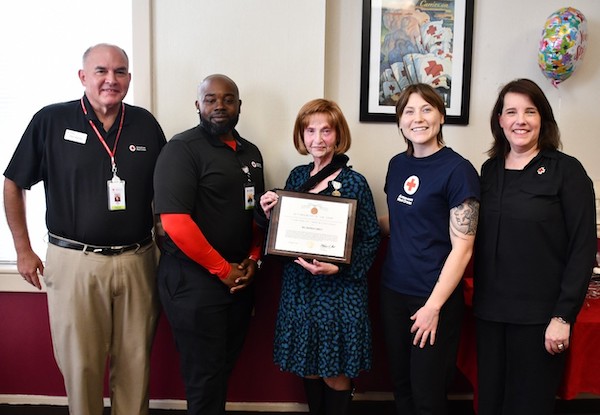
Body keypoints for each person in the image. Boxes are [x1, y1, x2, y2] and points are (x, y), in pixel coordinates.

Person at [3, 43, 166, 415]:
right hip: (75, 261)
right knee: (81, 365)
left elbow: (165, 193)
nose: (112, 79)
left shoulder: (145, 124)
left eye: (120, 71)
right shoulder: (51, 120)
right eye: (101, 71)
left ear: (129, 78)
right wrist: (23, 249)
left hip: (138, 260)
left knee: (136, 362)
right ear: (82, 77)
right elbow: (14, 182)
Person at [473, 78, 597, 415]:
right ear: (499, 120)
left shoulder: (567, 172)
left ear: (542, 118)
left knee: (528, 406)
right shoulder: (489, 171)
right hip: (490, 315)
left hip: (540, 318)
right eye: (511, 111)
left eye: (530, 111)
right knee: (490, 404)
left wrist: (563, 316)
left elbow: (583, 248)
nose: (520, 120)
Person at [258, 99, 380, 415]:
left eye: (326, 130)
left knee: (334, 370)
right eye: (310, 130)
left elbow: (370, 239)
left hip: (340, 292)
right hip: (301, 289)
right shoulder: (296, 176)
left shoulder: (355, 182)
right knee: (308, 364)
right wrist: (270, 211)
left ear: (338, 135)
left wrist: (339, 267)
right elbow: (285, 236)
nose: (318, 139)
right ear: (302, 135)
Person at [153, 74, 265, 415]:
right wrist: (221, 270)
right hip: (194, 282)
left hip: (238, 280)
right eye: (211, 99)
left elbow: (258, 213)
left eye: (228, 99)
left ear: (239, 106)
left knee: (221, 371)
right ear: (198, 104)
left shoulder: (251, 153)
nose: (220, 106)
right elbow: (175, 222)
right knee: (204, 378)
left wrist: (253, 259)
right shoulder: (181, 149)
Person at [379, 83, 480, 415]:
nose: (417, 118)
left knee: (428, 394)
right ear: (400, 121)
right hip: (393, 291)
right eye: (409, 111)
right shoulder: (396, 165)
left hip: (433, 298)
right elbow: (398, 221)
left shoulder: (458, 170)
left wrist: (433, 306)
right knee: (401, 386)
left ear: (441, 116)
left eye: (426, 109)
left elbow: (462, 248)